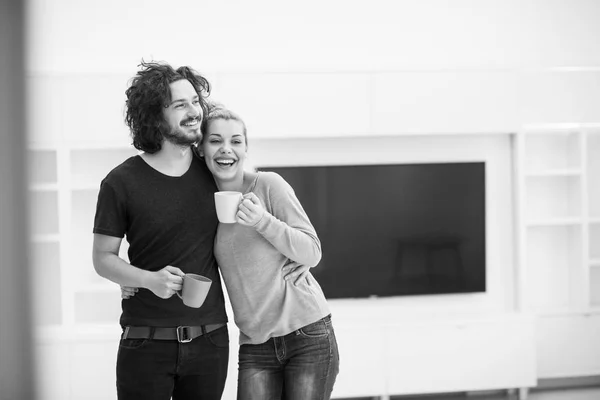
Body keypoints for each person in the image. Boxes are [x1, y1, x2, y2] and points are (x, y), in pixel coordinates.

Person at [92, 61, 229, 400]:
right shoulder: (120, 182)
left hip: (211, 339)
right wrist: (146, 279)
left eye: (195, 101)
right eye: (180, 104)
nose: (194, 110)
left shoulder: (216, 175)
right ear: (155, 116)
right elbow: (102, 259)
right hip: (145, 340)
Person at [199, 104, 340, 399]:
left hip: (307, 334)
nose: (227, 149)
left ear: (246, 148)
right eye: (215, 140)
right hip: (254, 345)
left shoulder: (268, 185)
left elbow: (312, 252)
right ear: (201, 149)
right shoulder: (201, 204)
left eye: (236, 141)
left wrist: (263, 221)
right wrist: (135, 279)